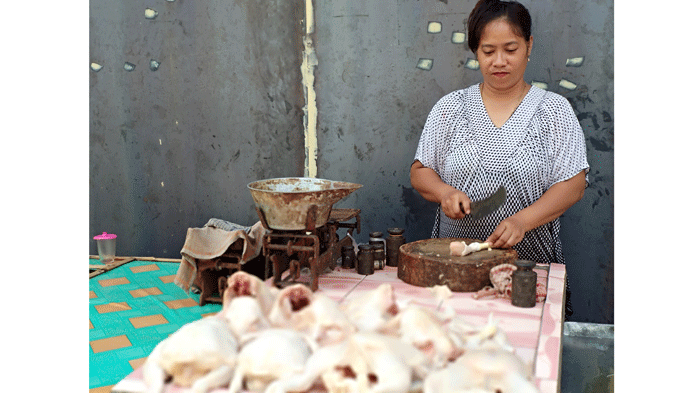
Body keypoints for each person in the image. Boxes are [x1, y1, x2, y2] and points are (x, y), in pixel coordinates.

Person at [410, 0, 589, 313]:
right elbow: (420, 171)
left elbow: (573, 184)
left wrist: (523, 221)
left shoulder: (554, 111)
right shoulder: (451, 108)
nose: (499, 61)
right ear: (476, 51)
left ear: (528, 46)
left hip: (527, 275)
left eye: (511, 48)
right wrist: (445, 193)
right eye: (488, 51)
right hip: (454, 278)